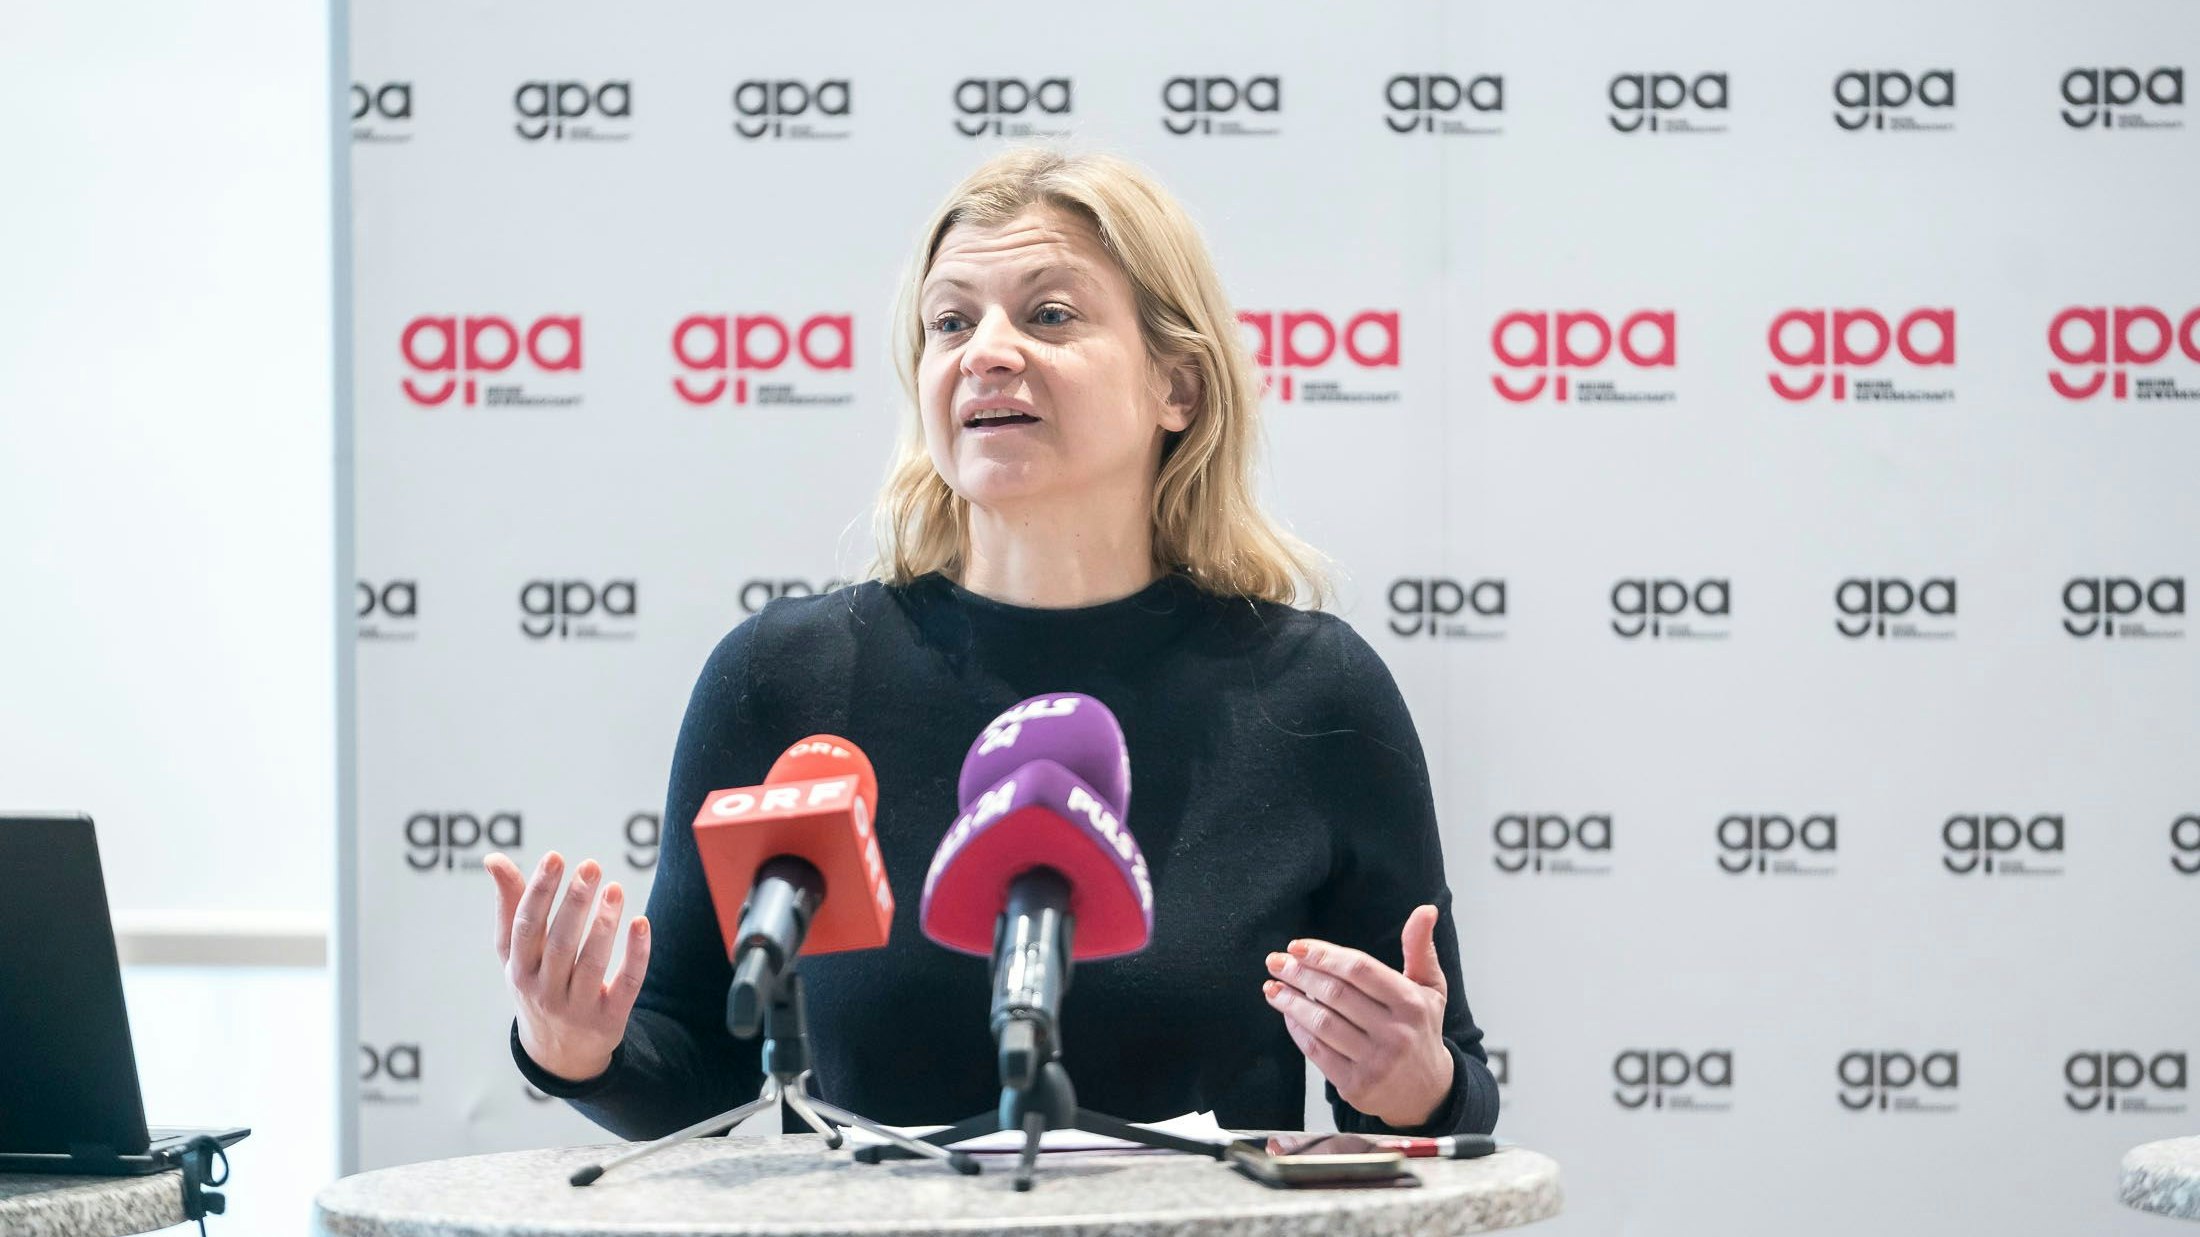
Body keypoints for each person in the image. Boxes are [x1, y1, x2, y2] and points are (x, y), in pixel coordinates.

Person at [483, 148, 1500, 1139]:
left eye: (1049, 314)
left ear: (1178, 388)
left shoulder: (1315, 691)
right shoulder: (781, 679)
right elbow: (696, 1069)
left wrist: (1415, 1083)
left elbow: (1438, 1086)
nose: (986, 351)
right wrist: (576, 1047)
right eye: (951, 322)